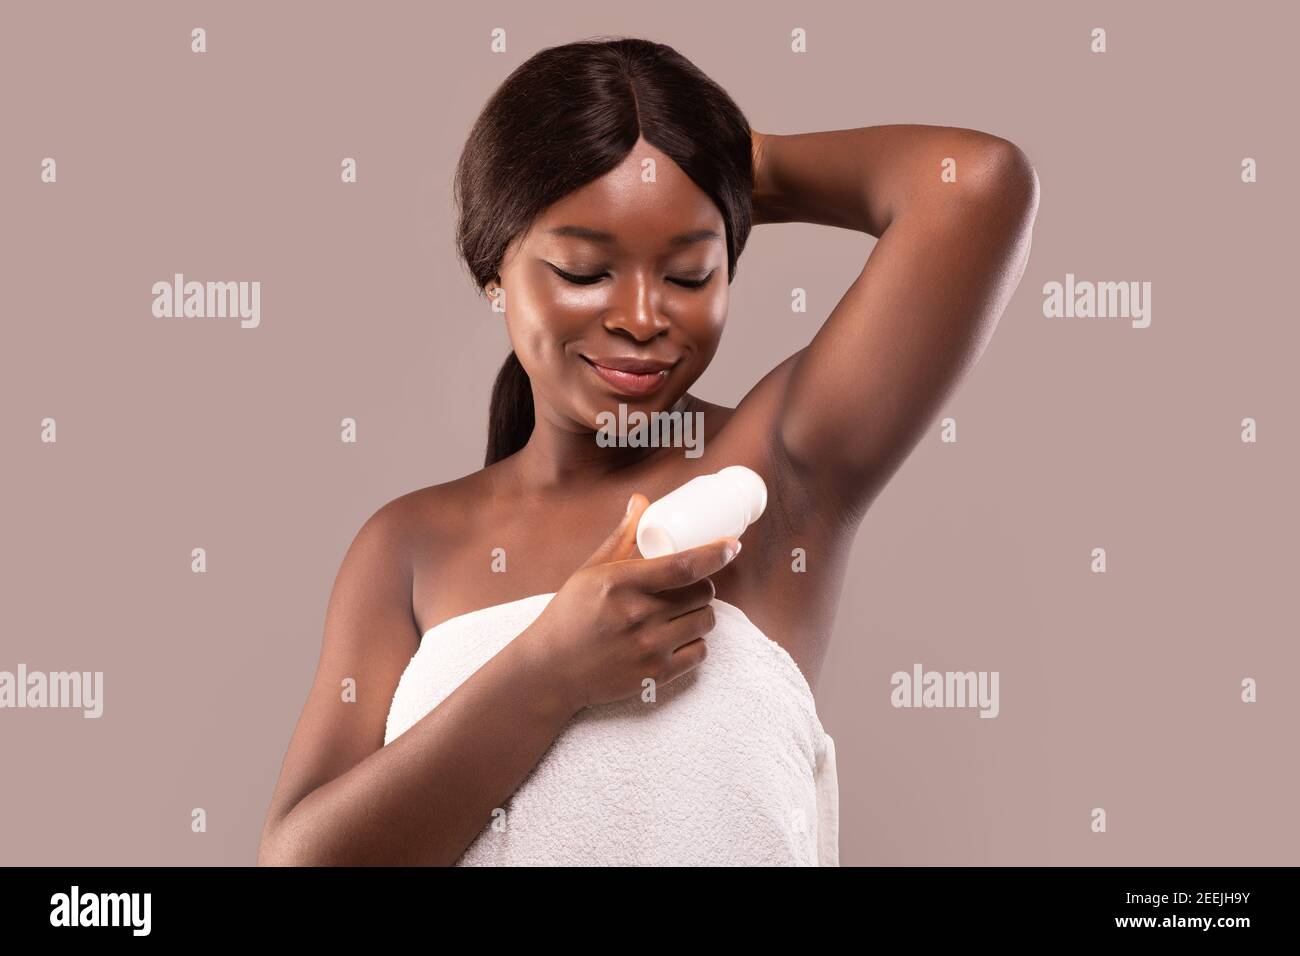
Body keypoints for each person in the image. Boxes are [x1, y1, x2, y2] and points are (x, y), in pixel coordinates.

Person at [257, 36, 1038, 866]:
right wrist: (549, 670)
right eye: (586, 270)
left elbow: (974, 185)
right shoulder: (408, 546)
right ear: (494, 272)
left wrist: (720, 159)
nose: (640, 315)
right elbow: (301, 859)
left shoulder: (771, 469)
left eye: (691, 273)